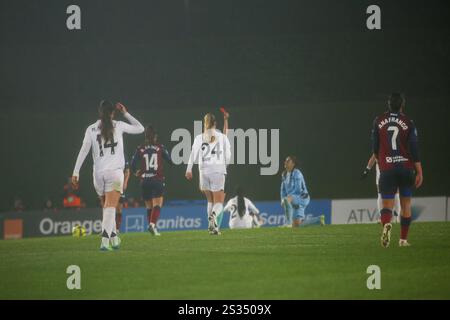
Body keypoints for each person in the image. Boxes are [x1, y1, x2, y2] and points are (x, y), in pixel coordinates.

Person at [72, 100, 144, 251]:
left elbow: (84, 150)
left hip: (98, 174)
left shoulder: (91, 129)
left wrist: (76, 172)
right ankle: (105, 241)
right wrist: (125, 113)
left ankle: (114, 238)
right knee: (111, 206)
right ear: (112, 113)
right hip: (116, 173)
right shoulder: (118, 125)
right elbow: (140, 128)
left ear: (100, 112)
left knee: (107, 206)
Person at [371, 93, 423, 248]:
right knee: (406, 205)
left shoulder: (378, 120)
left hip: (387, 169)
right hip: (405, 168)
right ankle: (403, 240)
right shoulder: (408, 122)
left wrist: (381, 162)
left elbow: (375, 147)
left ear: (388, 104)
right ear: (402, 105)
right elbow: (414, 149)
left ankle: (387, 225)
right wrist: (419, 171)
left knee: (387, 205)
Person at [185, 113, 231, 235]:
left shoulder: (199, 137)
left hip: (203, 171)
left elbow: (192, 154)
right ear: (215, 124)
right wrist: (225, 166)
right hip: (217, 170)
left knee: (210, 200)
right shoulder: (222, 137)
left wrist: (188, 170)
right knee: (219, 202)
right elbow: (228, 155)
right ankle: (214, 216)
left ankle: (212, 228)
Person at [131, 125, 172, 236]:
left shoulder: (140, 148)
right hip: (157, 179)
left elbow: (133, 164)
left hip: (145, 181)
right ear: (155, 136)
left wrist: (136, 172)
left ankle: (152, 228)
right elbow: (170, 160)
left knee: (149, 206)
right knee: (157, 204)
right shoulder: (160, 147)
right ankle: (152, 225)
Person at [280, 156, 324, 227]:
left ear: (293, 164)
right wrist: (282, 199)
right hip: (294, 199)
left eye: (288, 161)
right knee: (297, 225)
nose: (285, 162)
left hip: (302, 197)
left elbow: (298, 190)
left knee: (287, 199)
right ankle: (319, 219)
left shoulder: (297, 173)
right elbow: (282, 189)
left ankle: (288, 223)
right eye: (285, 161)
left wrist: (287, 199)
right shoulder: (284, 174)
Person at [362, 154, 401, 223]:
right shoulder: (381, 145)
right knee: (393, 193)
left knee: (390, 193)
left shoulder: (380, 145)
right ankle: (394, 217)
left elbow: (373, 157)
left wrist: (367, 170)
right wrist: (367, 170)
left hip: (388, 168)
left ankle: (395, 217)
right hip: (388, 169)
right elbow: (373, 157)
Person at [115, 157, 130, 233]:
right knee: (109, 206)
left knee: (119, 208)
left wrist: (125, 182)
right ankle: (106, 228)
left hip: (118, 183)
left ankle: (117, 229)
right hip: (110, 181)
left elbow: (127, 171)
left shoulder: (123, 156)